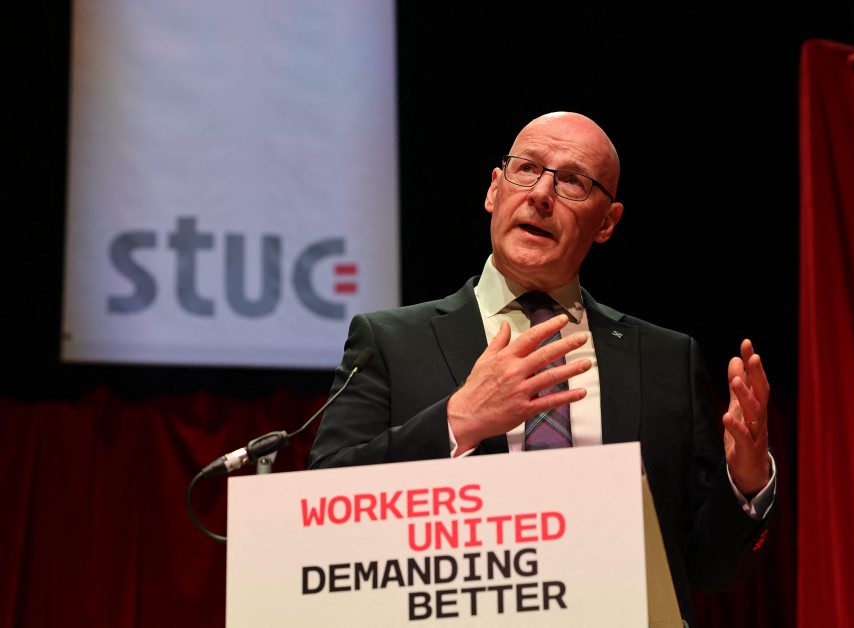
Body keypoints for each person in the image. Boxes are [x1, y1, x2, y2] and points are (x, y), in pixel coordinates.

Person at [309, 111, 775, 625]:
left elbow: (710, 569)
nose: (541, 194)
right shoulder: (390, 342)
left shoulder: (666, 359)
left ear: (607, 222)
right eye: (526, 169)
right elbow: (325, 503)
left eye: (573, 181)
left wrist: (745, 481)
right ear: (494, 190)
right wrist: (458, 421)